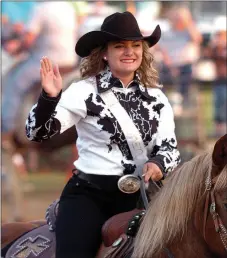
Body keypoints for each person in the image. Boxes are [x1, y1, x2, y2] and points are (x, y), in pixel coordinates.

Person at [25, 11, 181, 258]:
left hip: (145, 197)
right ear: (105, 54)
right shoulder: (83, 91)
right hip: (90, 197)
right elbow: (37, 133)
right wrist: (49, 98)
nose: (129, 51)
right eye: (120, 46)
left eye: (135, 45)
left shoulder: (157, 98)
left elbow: (170, 149)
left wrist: (157, 163)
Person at [2, 2, 78, 149]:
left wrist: (16, 48)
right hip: (69, 62)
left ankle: (7, 132)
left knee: (13, 84)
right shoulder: (68, 7)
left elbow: (29, 39)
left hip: (47, 62)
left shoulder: (41, 9)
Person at [157, 6, 202, 105]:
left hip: (184, 65)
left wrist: (188, 21)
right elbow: (161, 48)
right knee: (160, 79)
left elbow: (197, 39)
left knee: (186, 79)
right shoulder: (166, 32)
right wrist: (169, 63)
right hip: (168, 65)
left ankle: (184, 102)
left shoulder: (187, 33)